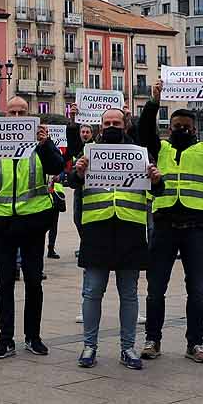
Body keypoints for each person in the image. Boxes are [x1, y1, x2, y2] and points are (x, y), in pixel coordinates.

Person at [137, 78, 203, 363]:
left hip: (195, 229)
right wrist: (154, 101)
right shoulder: (161, 149)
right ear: (169, 128)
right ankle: (152, 340)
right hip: (164, 227)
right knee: (156, 289)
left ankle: (195, 343)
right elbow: (145, 131)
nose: (181, 129)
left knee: (196, 290)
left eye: (187, 127)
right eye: (177, 126)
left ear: (195, 129)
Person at [68, 108, 155, 370]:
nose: (111, 126)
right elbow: (72, 181)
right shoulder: (89, 152)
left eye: (116, 122)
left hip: (130, 229)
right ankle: (89, 346)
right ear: (100, 126)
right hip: (97, 229)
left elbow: (156, 187)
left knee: (128, 294)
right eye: (107, 123)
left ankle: (128, 348)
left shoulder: (139, 153)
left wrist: (155, 178)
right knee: (92, 292)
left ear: (125, 124)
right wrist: (79, 173)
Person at [0, 96, 65, 360]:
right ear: (5, 116)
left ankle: (33, 336)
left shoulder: (41, 145)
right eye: (12, 112)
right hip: (3, 222)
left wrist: (45, 144)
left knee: (33, 282)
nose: (17, 117)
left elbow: (57, 167)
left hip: (33, 221)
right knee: (4, 283)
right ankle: (5, 339)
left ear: (30, 115)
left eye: (22, 112)